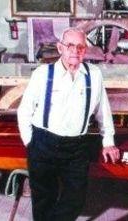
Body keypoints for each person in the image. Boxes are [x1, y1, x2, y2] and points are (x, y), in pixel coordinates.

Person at [17, 27, 120, 221]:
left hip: (76, 147)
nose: (75, 50)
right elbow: (24, 111)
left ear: (85, 50)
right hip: (43, 143)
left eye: (80, 46)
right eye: (70, 45)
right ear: (60, 48)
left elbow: (103, 111)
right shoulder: (42, 74)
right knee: (43, 200)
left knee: (75, 200)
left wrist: (108, 141)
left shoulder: (94, 75)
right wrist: (30, 143)